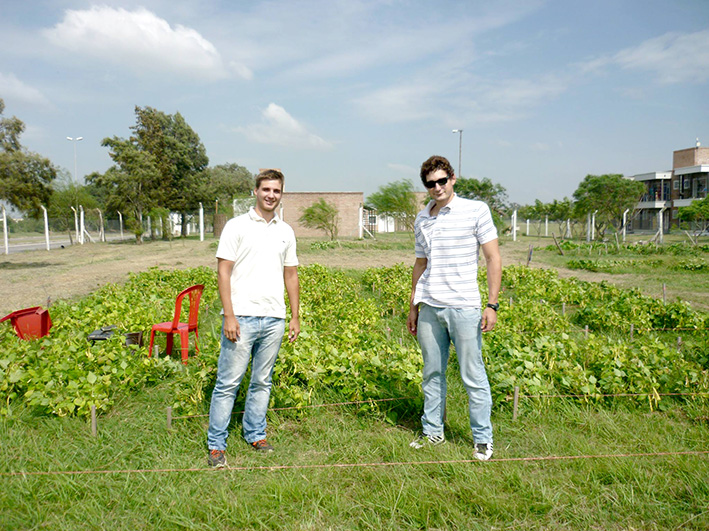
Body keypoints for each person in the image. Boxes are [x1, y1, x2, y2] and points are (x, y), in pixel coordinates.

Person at [406, 155, 501, 461]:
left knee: (472, 374)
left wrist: (492, 303)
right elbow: (421, 263)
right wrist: (414, 305)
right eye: (430, 184)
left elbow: (492, 258)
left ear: (452, 179)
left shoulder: (476, 210)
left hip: (464, 307)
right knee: (432, 372)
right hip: (431, 307)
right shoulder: (423, 219)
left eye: (441, 181)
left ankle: (482, 439)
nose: (437, 187)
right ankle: (433, 431)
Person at [207, 169, 300, 468]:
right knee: (228, 383)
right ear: (256, 192)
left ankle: (255, 434)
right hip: (242, 318)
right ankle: (216, 445)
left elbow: (291, 274)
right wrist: (229, 315)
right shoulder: (236, 227)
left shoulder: (285, 231)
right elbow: (224, 271)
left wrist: (294, 315)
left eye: (276, 190)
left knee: (262, 381)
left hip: (274, 318)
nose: (271, 195)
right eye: (266, 190)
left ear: (281, 194)